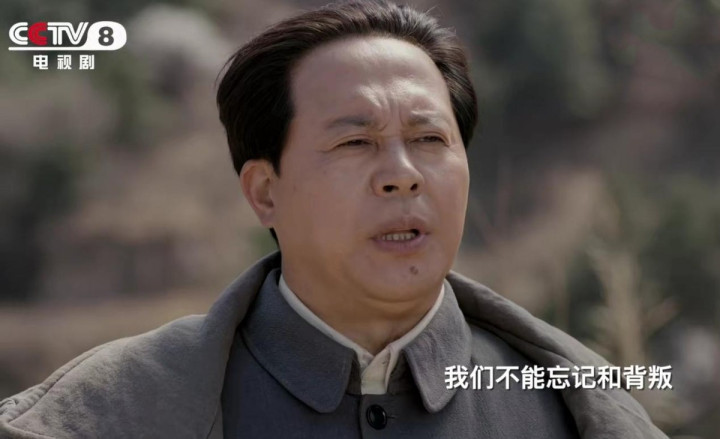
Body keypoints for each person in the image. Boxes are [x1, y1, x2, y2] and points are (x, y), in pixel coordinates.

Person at [0, 1, 668, 438]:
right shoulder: (108, 413)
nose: (402, 173)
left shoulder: (578, 412)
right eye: (355, 141)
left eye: (430, 139)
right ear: (265, 192)